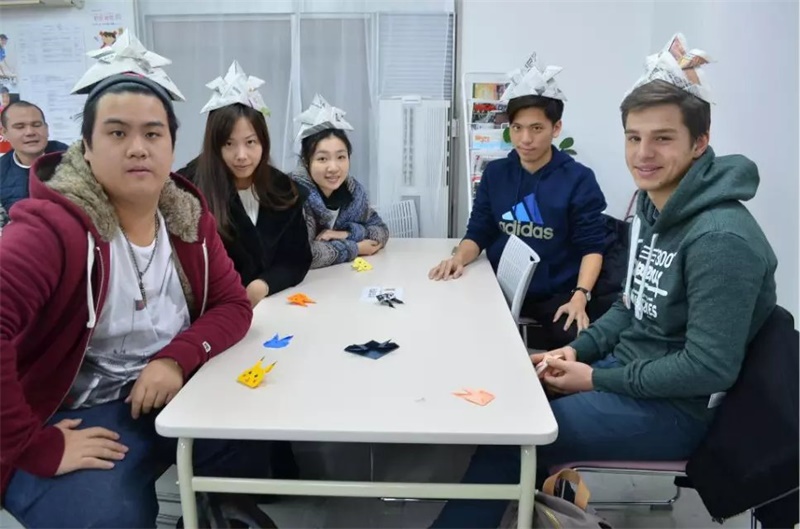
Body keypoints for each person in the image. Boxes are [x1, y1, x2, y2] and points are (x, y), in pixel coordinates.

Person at [431, 33, 778, 529]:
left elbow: (707, 369)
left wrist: (594, 378)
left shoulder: (721, 239)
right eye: (634, 138)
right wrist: (577, 351)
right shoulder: (654, 213)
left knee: (516, 435)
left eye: (663, 138)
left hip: (675, 410)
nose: (643, 153)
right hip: (628, 372)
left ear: (700, 143)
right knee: (511, 395)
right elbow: (629, 306)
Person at [0, 34, 269, 528]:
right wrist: (31, 445)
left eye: (153, 133)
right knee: (105, 516)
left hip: (169, 388)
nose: (138, 148)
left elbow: (233, 304)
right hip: (75, 410)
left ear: (171, 146)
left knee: (253, 431)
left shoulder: (188, 220)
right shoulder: (51, 229)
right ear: (86, 147)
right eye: (117, 133)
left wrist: (175, 358)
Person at [429, 51, 619, 349]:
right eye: (517, 128)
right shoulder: (496, 173)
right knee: (453, 332)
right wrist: (458, 259)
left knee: (579, 344)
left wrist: (581, 295)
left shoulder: (578, 179)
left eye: (536, 128)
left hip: (556, 294)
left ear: (556, 128)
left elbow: (592, 247)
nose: (525, 139)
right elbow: (479, 231)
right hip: (496, 286)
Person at [182, 61, 311, 307]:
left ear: (263, 142)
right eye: (229, 144)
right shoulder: (189, 191)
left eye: (250, 142)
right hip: (214, 312)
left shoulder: (283, 189)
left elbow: (297, 259)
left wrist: (263, 285)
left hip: (273, 306)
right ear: (215, 145)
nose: (241, 155)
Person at [290, 94, 388, 269]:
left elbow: (381, 231)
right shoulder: (293, 194)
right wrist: (355, 248)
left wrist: (345, 234)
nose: (334, 167)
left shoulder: (353, 192)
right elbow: (303, 254)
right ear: (306, 161)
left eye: (341, 157)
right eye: (322, 159)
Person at [0, 100, 69, 222]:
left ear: (46, 129)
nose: (30, 132)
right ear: (4, 133)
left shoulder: (73, 159)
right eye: (20, 127)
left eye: (36, 125)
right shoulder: (2, 170)